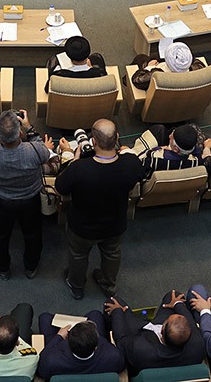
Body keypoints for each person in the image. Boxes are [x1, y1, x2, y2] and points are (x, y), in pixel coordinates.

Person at [55, 118, 144, 299]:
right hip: (115, 224)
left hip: (82, 227)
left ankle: (76, 286)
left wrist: (73, 159)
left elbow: (60, 188)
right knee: (112, 254)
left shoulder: (79, 169)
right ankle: (108, 284)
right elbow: (138, 173)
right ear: (117, 138)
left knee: (78, 255)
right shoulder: (131, 164)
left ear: (93, 142)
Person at [0, 109, 56, 279]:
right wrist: (30, 127)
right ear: (20, 133)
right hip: (30, 200)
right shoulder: (34, 150)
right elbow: (45, 152)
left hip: (1, 201)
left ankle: (3, 269)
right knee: (32, 234)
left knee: (0, 236)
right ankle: (31, 268)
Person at [105, 291, 206, 372]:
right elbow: (190, 322)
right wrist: (177, 304)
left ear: (162, 329)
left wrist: (117, 312)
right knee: (174, 295)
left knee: (113, 302)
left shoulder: (139, 348)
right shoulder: (198, 344)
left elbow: (121, 340)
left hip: (140, 333)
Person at [36, 312, 125, 380]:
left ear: (68, 342)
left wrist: (59, 336)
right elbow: (121, 367)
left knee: (45, 317)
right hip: (98, 368)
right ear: (95, 347)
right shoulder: (114, 357)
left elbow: (42, 372)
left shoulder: (50, 361)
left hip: (60, 364)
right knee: (95, 314)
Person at [130, 41, 204, 90]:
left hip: (157, 95)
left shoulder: (157, 75)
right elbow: (195, 61)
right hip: (182, 97)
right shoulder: (198, 69)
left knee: (140, 58)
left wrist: (149, 67)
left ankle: (125, 81)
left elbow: (137, 80)